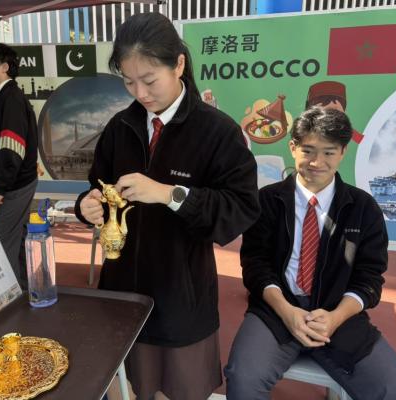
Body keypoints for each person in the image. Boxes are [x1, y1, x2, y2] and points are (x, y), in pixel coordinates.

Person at [74, 13, 260, 400]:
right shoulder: (120, 127)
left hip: (181, 296)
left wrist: (169, 194)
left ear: (178, 64)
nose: (140, 93)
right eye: (129, 82)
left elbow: (239, 209)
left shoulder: (217, 131)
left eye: (149, 80)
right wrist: (87, 206)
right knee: (128, 386)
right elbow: (98, 185)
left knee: (180, 390)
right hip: (122, 291)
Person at [224, 107, 396, 399]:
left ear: (342, 152)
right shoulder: (267, 200)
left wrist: (335, 317)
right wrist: (287, 312)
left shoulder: (363, 208)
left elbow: (369, 278)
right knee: (243, 379)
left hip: (339, 315)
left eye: (329, 152)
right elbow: (255, 265)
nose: (317, 162)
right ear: (293, 147)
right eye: (308, 151)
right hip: (277, 311)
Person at [0, 43, 38, 289]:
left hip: (14, 186)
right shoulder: (6, 96)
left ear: (4, 67)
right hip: (19, 182)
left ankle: (9, 297)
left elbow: (12, 149)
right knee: (16, 239)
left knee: (1, 244)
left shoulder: (10, 98)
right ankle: (24, 290)